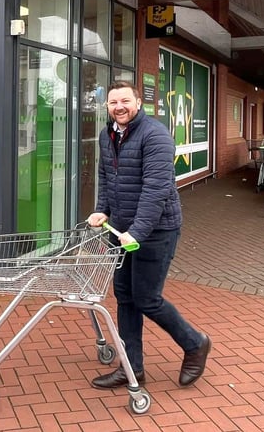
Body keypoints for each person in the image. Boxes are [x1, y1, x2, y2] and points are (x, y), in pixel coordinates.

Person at [87, 81, 211, 389]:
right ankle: (132, 368)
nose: (119, 106)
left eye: (125, 101)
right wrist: (103, 210)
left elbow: (156, 191)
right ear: (107, 106)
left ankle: (195, 342)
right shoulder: (107, 135)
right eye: (113, 102)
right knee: (125, 297)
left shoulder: (155, 136)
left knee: (146, 298)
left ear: (138, 103)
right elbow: (106, 177)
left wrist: (136, 232)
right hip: (121, 231)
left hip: (155, 231)